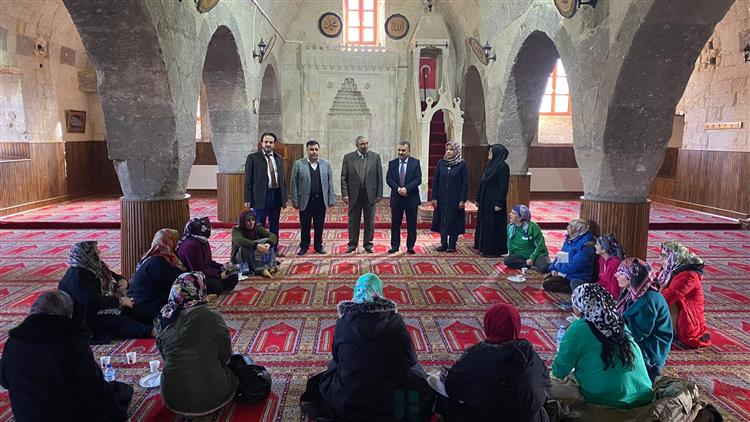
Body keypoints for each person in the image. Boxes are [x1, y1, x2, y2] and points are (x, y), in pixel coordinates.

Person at [306, 273, 433, 421]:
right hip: (392, 403)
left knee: (333, 366)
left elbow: (337, 357)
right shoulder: (395, 320)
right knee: (416, 372)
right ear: (379, 293)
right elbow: (411, 359)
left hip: (349, 401)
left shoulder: (343, 321)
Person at [0, 291, 133, 422]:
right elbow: (94, 388)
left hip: (25, 416)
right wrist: (120, 415)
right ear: (66, 312)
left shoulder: (13, 341)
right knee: (122, 392)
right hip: (66, 415)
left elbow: (4, 381)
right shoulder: (71, 342)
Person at [438, 303, 550, 421]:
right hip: (535, 419)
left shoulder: (478, 356)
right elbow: (545, 388)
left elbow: (453, 388)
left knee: (443, 398)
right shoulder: (531, 355)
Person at [551, 284, 653, 409]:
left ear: (579, 306)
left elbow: (559, 371)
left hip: (607, 400)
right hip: (643, 396)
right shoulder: (619, 322)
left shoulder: (578, 328)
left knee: (545, 387)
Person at [155, 272, 239, 417]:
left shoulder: (163, 317)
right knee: (235, 370)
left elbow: (165, 357)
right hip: (211, 397)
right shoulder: (211, 317)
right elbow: (225, 356)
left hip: (172, 397)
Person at [58, 241, 153, 343]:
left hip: (104, 307)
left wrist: (122, 280)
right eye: (94, 252)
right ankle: (153, 331)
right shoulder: (77, 276)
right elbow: (92, 302)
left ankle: (159, 324)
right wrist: (120, 301)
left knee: (135, 309)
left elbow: (113, 276)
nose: (98, 253)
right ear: (86, 256)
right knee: (117, 322)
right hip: (86, 318)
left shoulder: (93, 266)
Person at [615, 258, 673, 381]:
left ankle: (650, 372)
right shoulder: (633, 292)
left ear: (631, 277)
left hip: (651, 348)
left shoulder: (647, 300)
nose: (616, 275)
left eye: (621, 273)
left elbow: (636, 335)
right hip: (640, 338)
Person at [658, 241, 711, 349]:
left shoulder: (689, 276)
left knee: (658, 301)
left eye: (664, 256)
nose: (659, 258)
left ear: (675, 257)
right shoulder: (670, 270)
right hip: (681, 314)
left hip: (689, 320)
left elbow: (668, 297)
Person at [127, 228, 185, 324]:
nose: (178, 242)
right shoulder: (157, 262)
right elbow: (171, 286)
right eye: (175, 240)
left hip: (155, 299)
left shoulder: (168, 257)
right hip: (148, 306)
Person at [243, 132, 287, 256]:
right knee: (259, 225)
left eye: (270, 142)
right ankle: (259, 250)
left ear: (274, 144)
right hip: (260, 196)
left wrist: (284, 197)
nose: (268, 144)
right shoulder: (253, 158)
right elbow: (248, 180)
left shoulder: (278, 158)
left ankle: (273, 249)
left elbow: (281, 179)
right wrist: (247, 198)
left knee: (274, 225)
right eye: (266, 142)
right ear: (261, 143)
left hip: (276, 195)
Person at [290, 139, 336, 255]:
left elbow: (330, 182)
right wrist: (295, 200)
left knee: (319, 225)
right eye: (311, 149)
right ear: (307, 150)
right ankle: (304, 246)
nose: (314, 152)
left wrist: (331, 198)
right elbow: (293, 183)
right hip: (305, 200)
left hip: (320, 201)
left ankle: (318, 246)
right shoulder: (298, 164)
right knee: (305, 225)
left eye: (316, 149)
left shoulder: (326, 164)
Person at [341, 135, 383, 254]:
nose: (365, 146)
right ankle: (352, 244)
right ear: (357, 145)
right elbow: (343, 177)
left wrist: (379, 193)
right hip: (354, 194)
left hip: (370, 194)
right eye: (362, 144)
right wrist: (344, 194)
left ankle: (368, 244)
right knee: (353, 220)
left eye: (366, 143)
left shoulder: (375, 157)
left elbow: (379, 176)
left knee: (370, 220)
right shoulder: (348, 158)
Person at [176, 217, 239, 294]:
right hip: (193, 277)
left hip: (205, 272)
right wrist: (219, 276)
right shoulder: (191, 245)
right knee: (217, 286)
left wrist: (222, 267)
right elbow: (197, 270)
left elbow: (209, 262)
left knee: (233, 275)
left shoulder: (202, 241)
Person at [431, 141, 468, 252]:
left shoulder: (461, 164)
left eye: (451, 150)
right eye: (447, 149)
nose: (448, 152)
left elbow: (465, 183)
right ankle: (443, 243)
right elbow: (435, 181)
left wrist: (462, 199)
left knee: (454, 220)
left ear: (456, 151)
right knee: (442, 219)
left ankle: (452, 244)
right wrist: (434, 197)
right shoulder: (441, 163)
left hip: (455, 199)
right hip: (442, 198)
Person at [473, 144, 510, 257]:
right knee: (484, 223)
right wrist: (478, 198)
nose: (489, 154)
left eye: (491, 152)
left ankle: (492, 250)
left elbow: (503, 186)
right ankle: (483, 247)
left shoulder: (503, 167)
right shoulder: (489, 165)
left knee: (493, 224)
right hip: (485, 198)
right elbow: (483, 183)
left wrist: (499, 202)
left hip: (494, 200)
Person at [386, 141, 422, 254]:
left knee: (411, 224)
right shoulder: (392, 163)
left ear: (409, 151)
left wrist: (406, 189)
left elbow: (418, 179)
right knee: (395, 224)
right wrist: (398, 189)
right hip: (397, 198)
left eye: (403, 150)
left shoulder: (415, 163)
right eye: (399, 150)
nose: (400, 152)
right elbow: (389, 179)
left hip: (411, 198)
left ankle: (410, 246)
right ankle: (395, 246)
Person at [543, 219, 596, 294]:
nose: (567, 227)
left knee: (548, 284)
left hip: (576, 276)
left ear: (577, 229)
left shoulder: (586, 246)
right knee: (547, 279)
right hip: (565, 272)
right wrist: (553, 268)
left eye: (570, 226)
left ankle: (575, 289)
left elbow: (575, 266)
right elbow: (560, 255)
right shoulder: (571, 238)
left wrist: (558, 266)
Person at [231, 208, 278, 278]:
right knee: (247, 245)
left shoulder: (257, 227)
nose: (251, 223)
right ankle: (261, 269)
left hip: (255, 257)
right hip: (241, 260)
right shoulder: (236, 230)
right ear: (243, 221)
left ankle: (270, 266)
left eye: (253, 220)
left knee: (267, 241)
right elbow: (239, 240)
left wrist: (268, 244)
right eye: (248, 221)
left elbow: (272, 236)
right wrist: (257, 245)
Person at [503, 204, 550, 273]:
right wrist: (511, 255)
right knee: (507, 261)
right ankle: (528, 264)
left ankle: (531, 263)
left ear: (520, 217)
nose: (510, 214)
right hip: (521, 256)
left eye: (513, 213)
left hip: (536, 255)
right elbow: (510, 244)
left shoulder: (533, 227)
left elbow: (541, 246)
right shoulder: (510, 227)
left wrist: (532, 258)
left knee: (545, 267)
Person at [595, 234, 626, 299]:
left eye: (597, 245)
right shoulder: (602, 259)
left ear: (604, 249)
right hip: (603, 291)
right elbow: (601, 280)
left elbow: (615, 289)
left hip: (612, 297)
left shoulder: (615, 264)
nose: (595, 246)